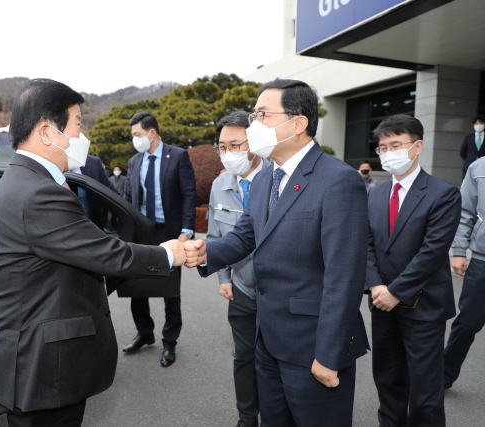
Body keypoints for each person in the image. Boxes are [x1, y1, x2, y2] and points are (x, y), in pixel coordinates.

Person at [0, 79, 186, 427]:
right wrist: (168, 255)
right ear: (48, 132)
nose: (82, 134)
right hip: (43, 368)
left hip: (37, 361)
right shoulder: (38, 192)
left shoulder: (25, 179)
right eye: (78, 123)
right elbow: (105, 253)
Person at [185, 78, 370, 426]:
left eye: (262, 115)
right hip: (267, 339)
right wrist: (202, 252)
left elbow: (343, 276)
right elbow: (244, 239)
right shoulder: (264, 179)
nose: (254, 124)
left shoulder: (338, 181)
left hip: (312, 347)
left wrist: (328, 356)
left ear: (298, 124)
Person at [366, 114, 461, 426]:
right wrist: (376, 286)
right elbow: (365, 244)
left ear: (417, 146)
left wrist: (396, 291)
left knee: (425, 389)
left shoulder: (443, 193)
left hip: (423, 306)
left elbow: (432, 252)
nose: (388, 152)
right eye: (382, 147)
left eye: (396, 145)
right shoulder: (375, 194)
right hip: (381, 304)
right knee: (388, 380)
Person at [206, 110, 270, 427]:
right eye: (222, 147)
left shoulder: (280, 179)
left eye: (236, 145)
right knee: (243, 358)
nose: (228, 154)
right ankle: (247, 418)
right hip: (241, 290)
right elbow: (216, 235)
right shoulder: (220, 184)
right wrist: (223, 277)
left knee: (274, 361)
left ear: (254, 142)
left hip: (277, 292)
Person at [123, 111, 197, 367]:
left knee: (170, 290)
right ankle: (144, 333)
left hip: (169, 232)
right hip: (142, 232)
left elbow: (189, 195)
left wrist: (186, 231)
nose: (135, 139)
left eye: (137, 134)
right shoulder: (134, 162)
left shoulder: (177, 156)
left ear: (152, 133)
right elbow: (128, 199)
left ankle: (170, 341)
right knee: (136, 287)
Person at [444, 155, 485, 389]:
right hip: (482, 259)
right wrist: (459, 250)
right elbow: (465, 211)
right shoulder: (478, 167)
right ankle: (444, 376)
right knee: (467, 323)